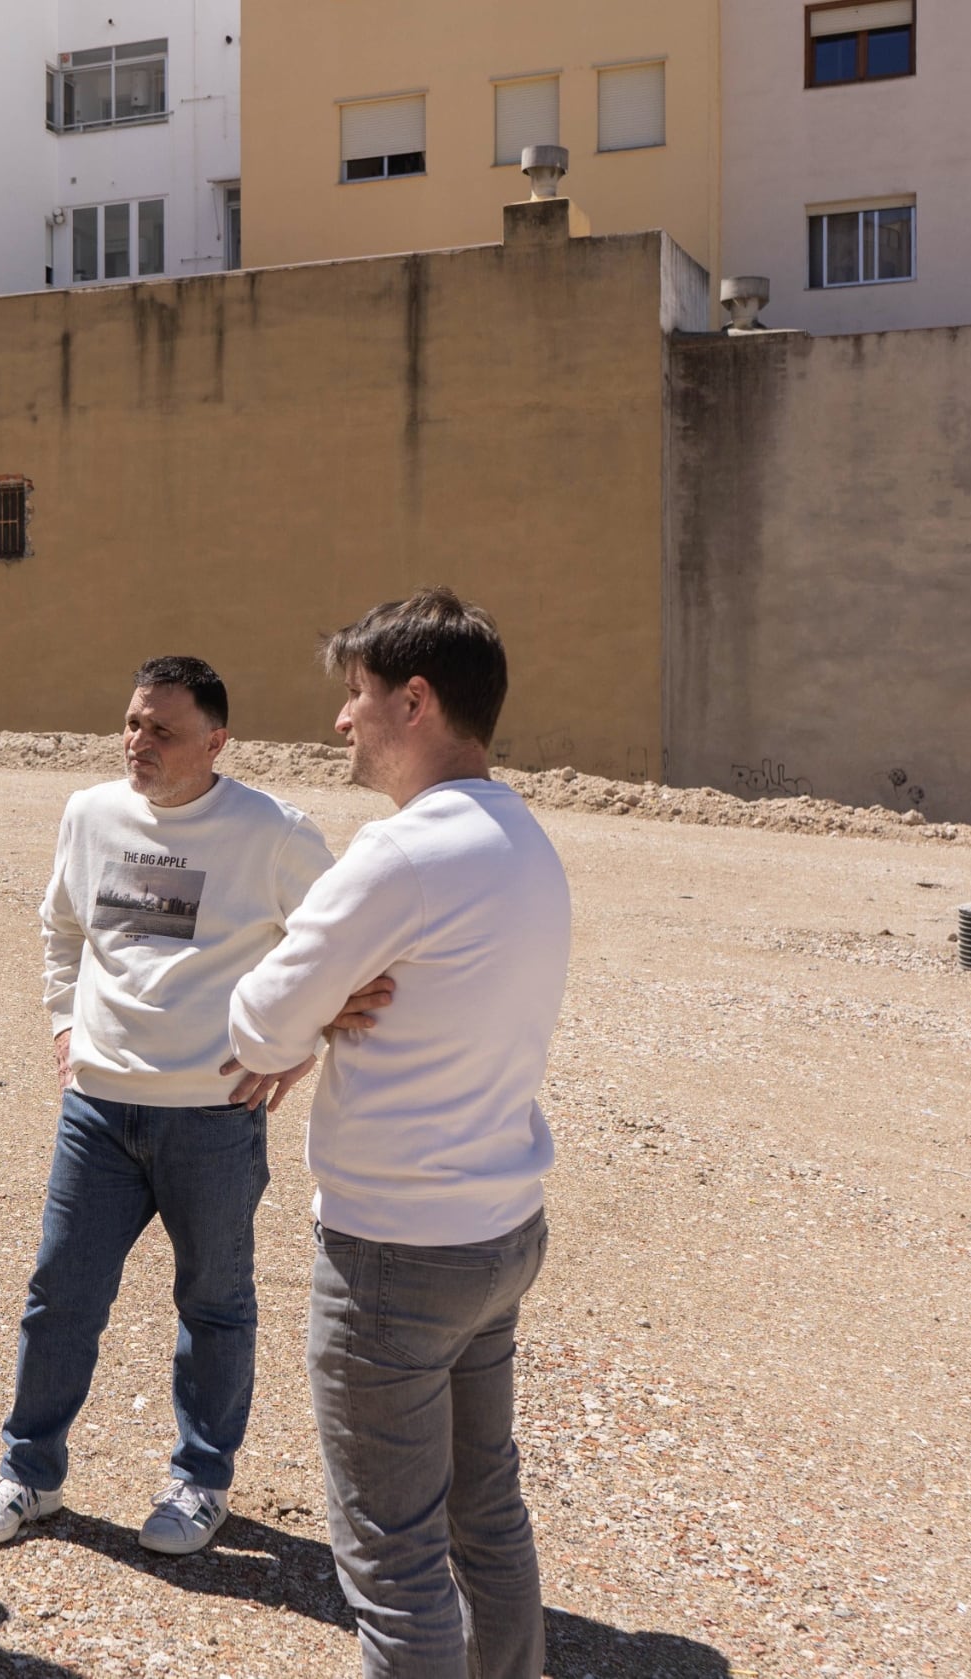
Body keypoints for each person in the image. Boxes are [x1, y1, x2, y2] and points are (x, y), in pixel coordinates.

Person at [228, 588, 572, 1679]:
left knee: (393, 1559)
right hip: (498, 1230)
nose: (341, 720)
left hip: (392, 1252)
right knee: (486, 1512)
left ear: (413, 699)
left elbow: (254, 1024)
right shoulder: (521, 836)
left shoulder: (400, 855)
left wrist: (312, 1016)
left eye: (356, 694)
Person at [0, 657, 341, 1556]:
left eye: (162, 730)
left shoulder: (272, 832)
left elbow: (340, 948)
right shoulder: (89, 814)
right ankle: (28, 1474)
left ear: (216, 741)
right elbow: (62, 927)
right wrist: (62, 1024)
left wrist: (298, 1043)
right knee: (60, 1297)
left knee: (214, 1304)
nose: (138, 743)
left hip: (211, 1117)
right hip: (96, 1109)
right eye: (131, 723)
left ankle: (199, 1481)